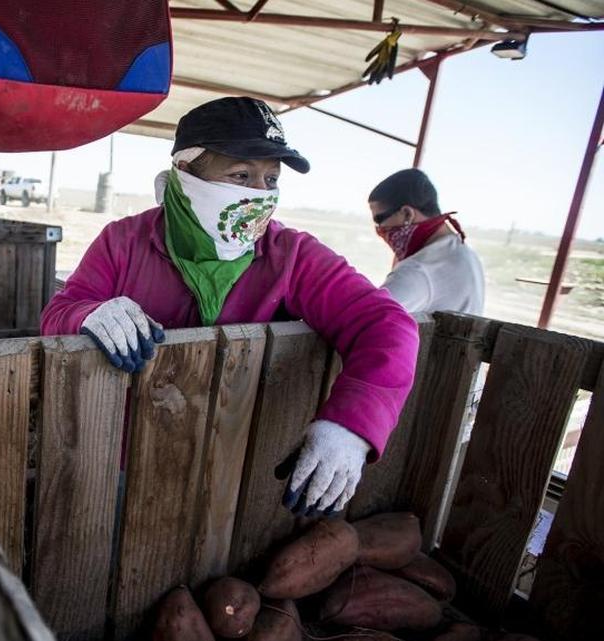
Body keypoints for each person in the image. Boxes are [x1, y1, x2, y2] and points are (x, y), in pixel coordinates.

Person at [41, 97, 419, 516]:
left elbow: (385, 324)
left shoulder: (291, 256)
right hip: (118, 454)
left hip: (227, 464)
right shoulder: (123, 241)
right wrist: (89, 314)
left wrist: (350, 426)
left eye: (271, 178)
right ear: (186, 174)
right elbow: (58, 314)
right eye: (241, 175)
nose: (260, 194)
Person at [370, 169, 485, 314]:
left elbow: (364, 320)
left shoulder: (418, 271)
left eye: (379, 220)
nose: (380, 229)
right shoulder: (463, 252)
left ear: (407, 214)